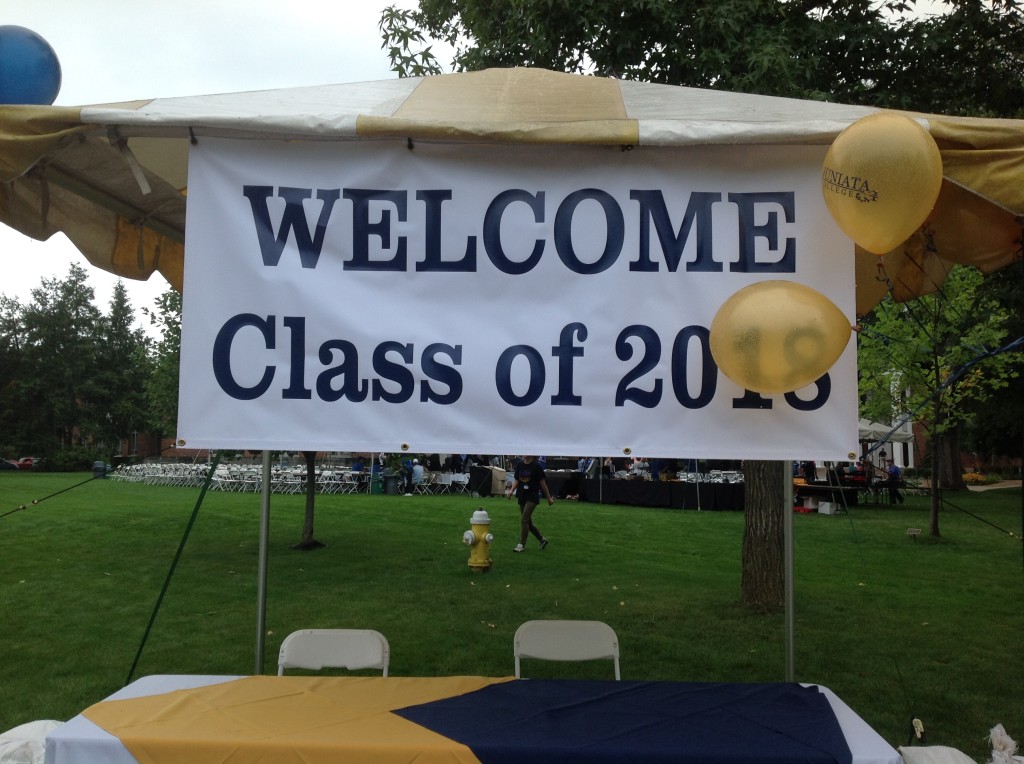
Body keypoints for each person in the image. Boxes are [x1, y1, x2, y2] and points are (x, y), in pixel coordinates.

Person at [506, 455, 554, 552]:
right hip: (522, 495)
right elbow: (517, 479)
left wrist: (549, 497)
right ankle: (542, 540)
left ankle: (521, 545)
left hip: (532, 496)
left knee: (524, 520)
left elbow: (542, 483)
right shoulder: (519, 464)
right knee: (528, 522)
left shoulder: (536, 466)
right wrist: (511, 490)